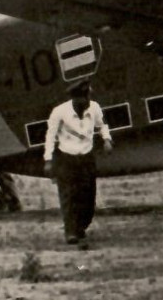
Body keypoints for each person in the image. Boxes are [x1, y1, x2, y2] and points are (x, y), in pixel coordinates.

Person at [42, 80, 113, 248]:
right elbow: (50, 136)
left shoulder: (94, 108)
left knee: (88, 198)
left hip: (86, 158)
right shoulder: (59, 112)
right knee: (68, 196)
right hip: (66, 159)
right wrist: (48, 160)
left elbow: (102, 125)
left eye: (88, 97)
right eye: (84, 98)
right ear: (75, 99)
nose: (87, 101)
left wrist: (107, 139)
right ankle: (70, 231)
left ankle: (81, 225)